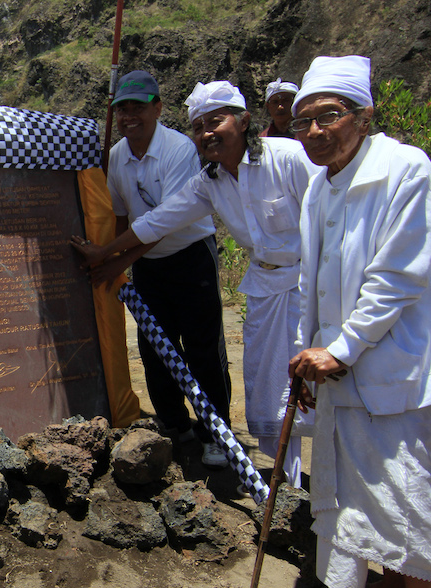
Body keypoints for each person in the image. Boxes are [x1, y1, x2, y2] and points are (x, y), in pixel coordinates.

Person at [72, 80, 318, 488]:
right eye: (199, 125)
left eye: (215, 122)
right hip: (262, 289)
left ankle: (242, 449)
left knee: (297, 381)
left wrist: (110, 258)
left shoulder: (290, 158)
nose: (206, 133)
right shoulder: (212, 180)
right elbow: (158, 219)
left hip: (308, 288)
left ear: (243, 121)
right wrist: (109, 255)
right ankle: (282, 480)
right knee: (267, 386)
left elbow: (330, 217)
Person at [287, 55, 431, 588]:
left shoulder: (406, 168)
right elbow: (312, 281)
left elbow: (396, 278)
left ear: (364, 115)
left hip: (390, 359)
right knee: (360, 483)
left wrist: (342, 350)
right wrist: (309, 359)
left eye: (330, 116)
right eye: (304, 122)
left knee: (407, 487)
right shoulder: (320, 185)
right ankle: (394, 583)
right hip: (335, 360)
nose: (317, 132)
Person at [81, 70, 231, 468]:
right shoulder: (117, 155)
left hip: (190, 255)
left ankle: (216, 432)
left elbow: (167, 221)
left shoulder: (179, 149)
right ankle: (173, 424)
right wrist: (115, 258)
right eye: (123, 108)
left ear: (158, 108)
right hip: (147, 264)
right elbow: (117, 215)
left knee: (202, 348)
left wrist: (113, 260)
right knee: (154, 347)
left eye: (139, 107)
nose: (130, 116)